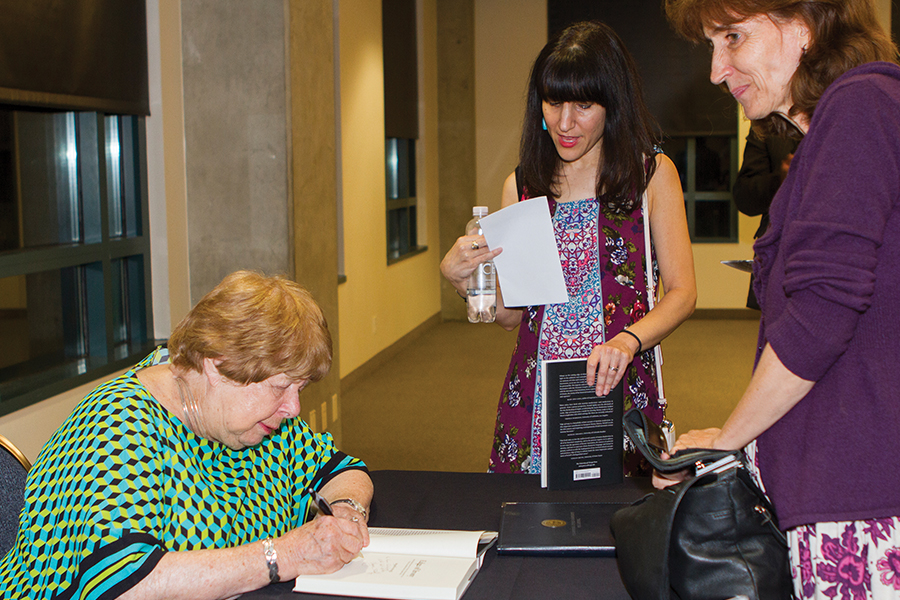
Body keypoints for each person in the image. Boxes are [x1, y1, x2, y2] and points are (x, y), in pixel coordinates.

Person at [662, 0, 900, 596]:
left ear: (803, 29)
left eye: (733, 38)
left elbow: (823, 312)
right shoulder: (838, 124)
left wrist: (728, 440)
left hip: (860, 495)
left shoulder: (859, 106)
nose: (717, 69)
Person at [0, 271, 373, 599]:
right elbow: (126, 583)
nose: (293, 408)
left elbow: (340, 469)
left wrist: (347, 511)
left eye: (300, 389)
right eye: (281, 387)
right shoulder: (119, 427)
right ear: (216, 365)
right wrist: (283, 556)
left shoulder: (251, 420)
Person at [440, 21, 697, 475]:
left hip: (617, 388)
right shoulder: (523, 186)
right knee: (529, 528)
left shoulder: (650, 177)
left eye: (584, 105)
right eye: (554, 101)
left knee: (618, 528)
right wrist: (464, 282)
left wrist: (626, 340)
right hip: (536, 395)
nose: (565, 122)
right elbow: (515, 315)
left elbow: (682, 292)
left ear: (612, 104)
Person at [732, 124, 799, 308]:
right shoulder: (768, 123)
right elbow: (744, 196)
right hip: (778, 258)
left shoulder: (844, 110)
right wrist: (780, 179)